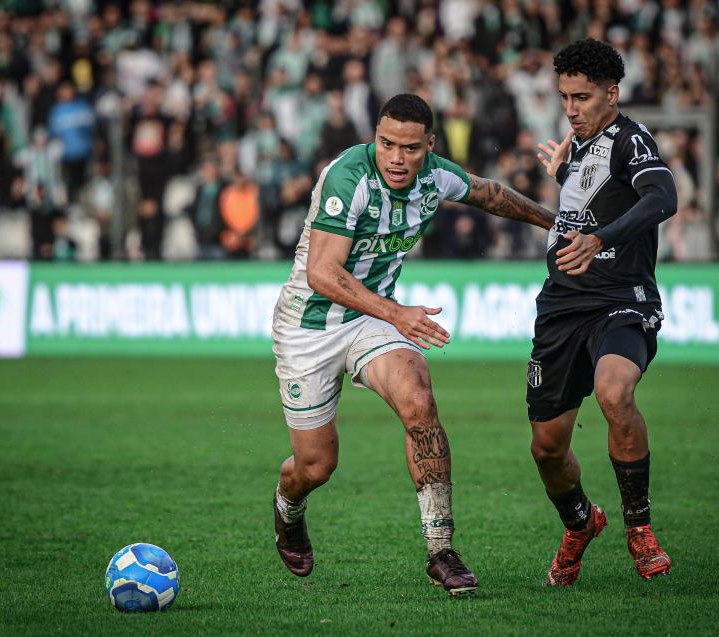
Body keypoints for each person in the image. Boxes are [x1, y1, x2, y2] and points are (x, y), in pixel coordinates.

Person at [270, 94, 555, 595]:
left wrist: (555, 223)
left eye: (409, 147)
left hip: (370, 318)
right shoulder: (348, 177)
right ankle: (287, 506)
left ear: (430, 145)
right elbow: (321, 273)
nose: (396, 158)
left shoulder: (436, 176)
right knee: (315, 466)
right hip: (309, 326)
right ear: (374, 137)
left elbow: (488, 194)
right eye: (386, 144)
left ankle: (441, 550)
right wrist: (398, 313)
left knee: (419, 398)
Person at [530, 39, 678, 586]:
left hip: (620, 299)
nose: (571, 108)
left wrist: (600, 238)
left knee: (616, 392)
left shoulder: (631, 140)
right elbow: (591, 199)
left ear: (612, 94)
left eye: (583, 97)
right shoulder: (580, 147)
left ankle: (639, 528)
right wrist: (566, 179)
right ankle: (580, 522)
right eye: (565, 96)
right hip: (561, 306)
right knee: (547, 447)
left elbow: (663, 198)